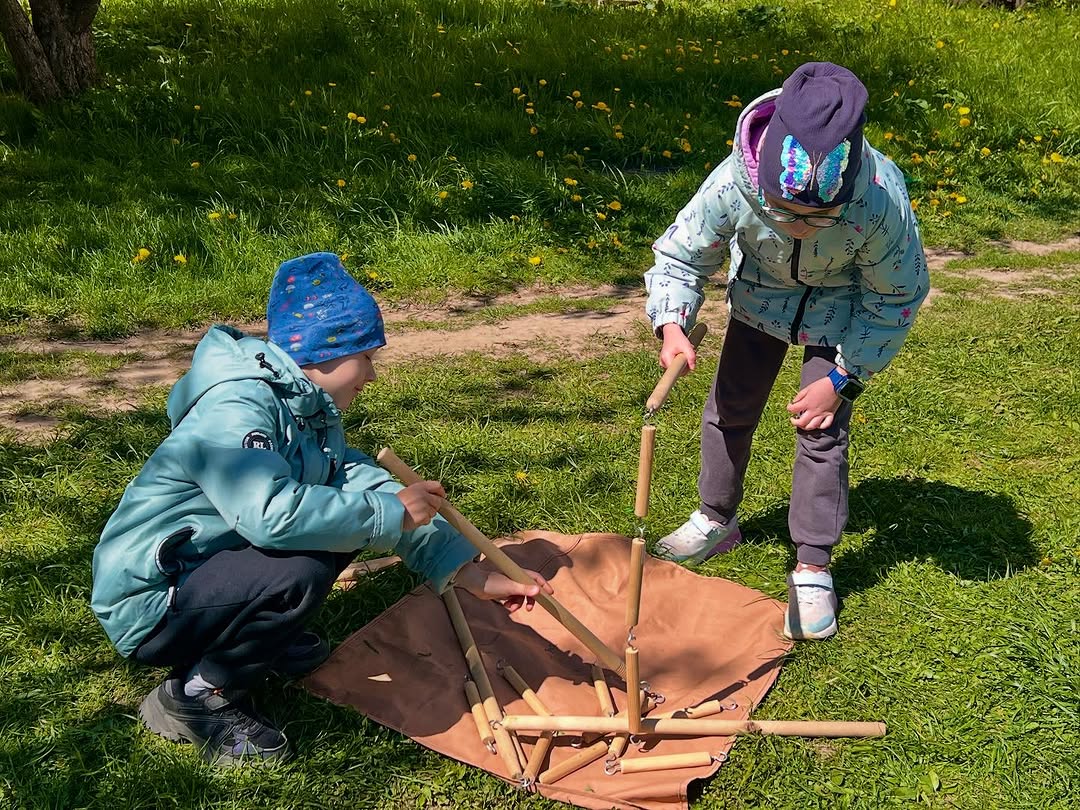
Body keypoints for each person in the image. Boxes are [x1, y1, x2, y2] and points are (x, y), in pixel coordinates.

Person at [91, 252, 552, 765]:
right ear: (324, 353)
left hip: (208, 568)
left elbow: (346, 481)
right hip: (155, 598)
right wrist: (389, 513)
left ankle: (258, 636)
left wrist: (461, 567)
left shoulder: (303, 403)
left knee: (348, 520)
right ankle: (196, 695)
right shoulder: (238, 407)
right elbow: (269, 514)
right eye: (367, 355)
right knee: (302, 568)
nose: (372, 374)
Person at [644, 63, 928, 640]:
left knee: (820, 429)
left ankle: (812, 563)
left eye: (818, 219)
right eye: (784, 214)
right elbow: (681, 255)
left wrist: (844, 377)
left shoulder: (878, 201)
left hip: (840, 315)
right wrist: (672, 323)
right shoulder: (733, 184)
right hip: (758, 305)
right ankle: (716, 518)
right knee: (730, 409)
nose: (799, 227)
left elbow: (896, 296)